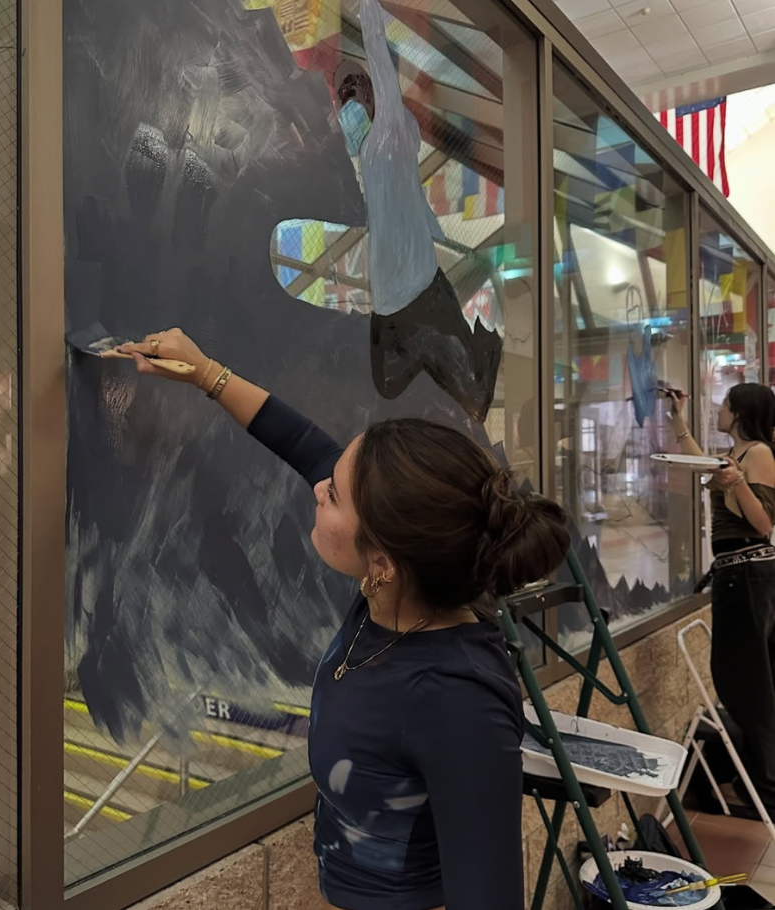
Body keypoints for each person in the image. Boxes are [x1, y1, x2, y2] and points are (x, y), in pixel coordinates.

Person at [119, 329, 571, 910]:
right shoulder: (397, 595)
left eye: (333, 495)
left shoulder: (456, 698)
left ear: (382, 561)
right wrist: (205, 371)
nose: (317, 486)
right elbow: (300, 440)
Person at [332, 0, 502, 424]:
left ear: (370, 98)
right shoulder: (373, 156)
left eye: (353, 103)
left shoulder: (387, 132)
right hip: (394, 295)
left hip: (416, 287)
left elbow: (376, 51)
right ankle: (468, 351)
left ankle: (487, 342)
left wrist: (367, 10)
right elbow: (417, 207)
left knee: (472, 396)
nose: (349, 118)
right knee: (388, 385)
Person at [670, 383, 775, 815]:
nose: (719, 409)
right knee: (746, 678)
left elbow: (765, 522)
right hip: (740, 576)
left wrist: (736, 484)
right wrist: (677, 418)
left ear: (740, 412)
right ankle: (757, 781)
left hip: (749, 573)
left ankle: (764, 789)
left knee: (746, 682)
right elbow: (699, 461)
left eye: (724, 405)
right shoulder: (741, 454)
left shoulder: (760, 454)